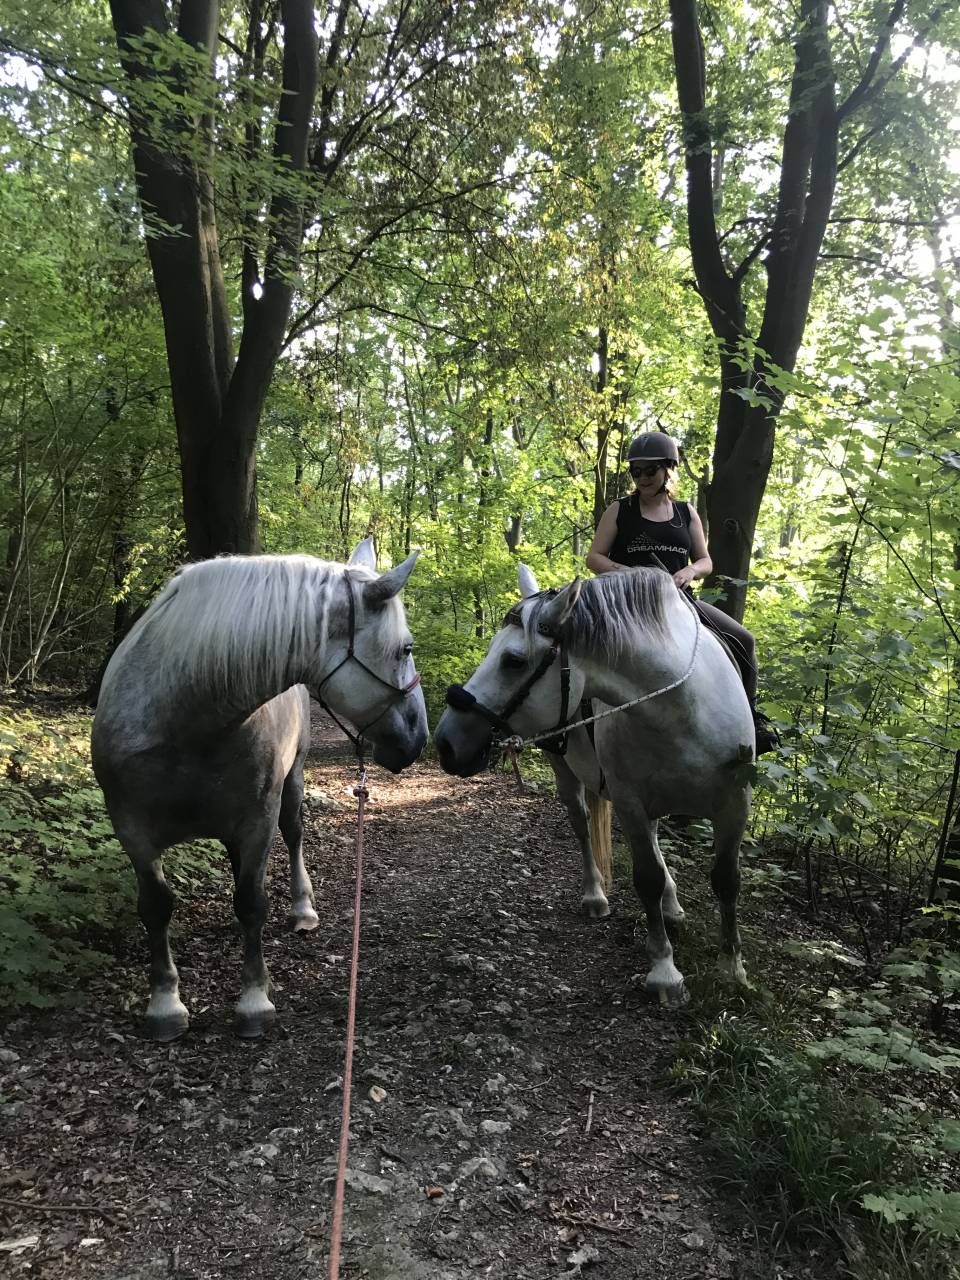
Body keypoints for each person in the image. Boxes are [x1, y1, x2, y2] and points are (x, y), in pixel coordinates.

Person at [586, 430, 780, 755]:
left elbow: (705, 560)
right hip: (626, 603)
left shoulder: (686, 513)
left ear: (667, 469)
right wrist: (630, 574)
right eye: (636, 471)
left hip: (679, 602)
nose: (643, 477)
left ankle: (751, 722)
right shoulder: (619, 510)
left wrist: (689, 571)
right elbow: (594, 558)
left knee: (744, 640)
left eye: (650, 470)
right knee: (575, 641)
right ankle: (561, 733)